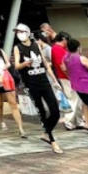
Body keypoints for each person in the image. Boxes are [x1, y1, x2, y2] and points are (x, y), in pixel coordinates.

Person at [13, 23, 62, 154]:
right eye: (17, 32)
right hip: (31, 83)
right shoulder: (17, 48)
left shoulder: (36, 45)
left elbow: (46, 64)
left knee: (55, 111)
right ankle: (52, 141)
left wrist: (54, 80)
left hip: (44, 81)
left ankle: (46, 132)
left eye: (22, 31)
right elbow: (17, 65)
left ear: (28, 32)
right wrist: (24, 63)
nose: (20, 34)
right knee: (41, 111)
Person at [51, 32, 86, 131]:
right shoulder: (57, 49)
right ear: (63, 39)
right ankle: (69, 122)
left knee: (77, 100)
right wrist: (70, 76)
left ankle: (78, 121)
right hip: (66, 78)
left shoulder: (60, 49)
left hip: (68, 77)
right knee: (72, 100)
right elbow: (62, 65)